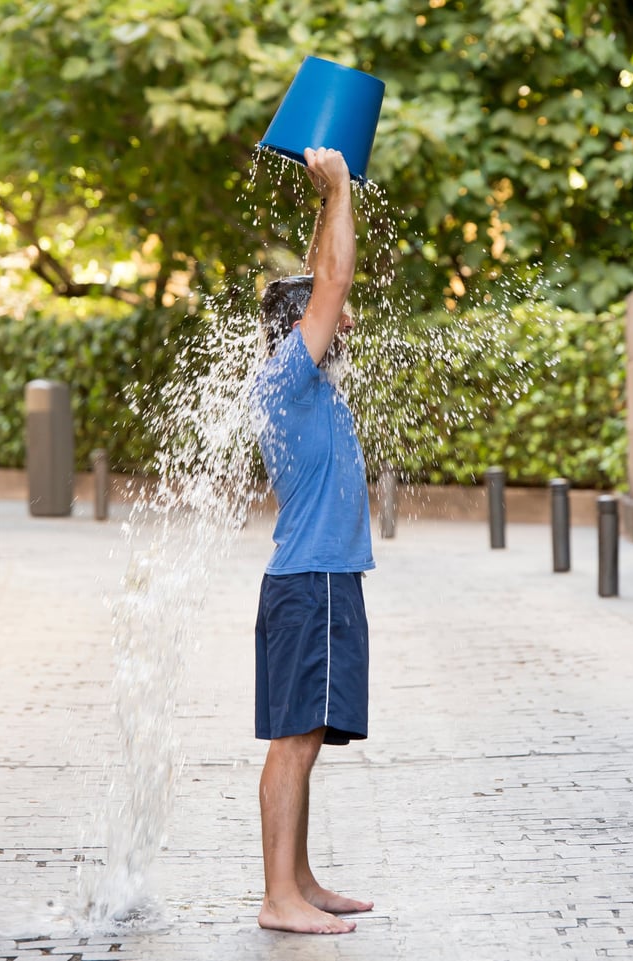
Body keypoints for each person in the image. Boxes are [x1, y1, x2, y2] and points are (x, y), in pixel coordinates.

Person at [249, 146, 375, 935]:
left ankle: (299, 878)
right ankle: (277, 897)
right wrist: (337, 190)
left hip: (323, 578)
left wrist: (329, 201)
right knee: (294, 740)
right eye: (330, 318)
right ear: (301, 327)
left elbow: (326, 284)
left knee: (310, 733)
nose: (347, 320)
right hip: (310, 580)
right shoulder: (286, 375)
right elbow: (331, 280)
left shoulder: (305, 381)